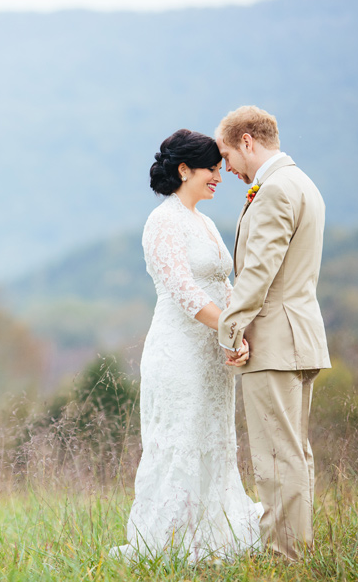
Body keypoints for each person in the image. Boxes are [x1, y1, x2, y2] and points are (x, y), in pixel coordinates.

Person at [112, 129, 262, 563]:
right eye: (211, 169)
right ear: (184, 170)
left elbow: (221, 285)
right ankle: (170, 541)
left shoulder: (205, 222)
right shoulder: (163, 221)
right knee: (180, 439)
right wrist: (230, 331)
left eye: (220, 167)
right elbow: (184, 290)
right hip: (178, 352)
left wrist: (240, 337)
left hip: (213, 355)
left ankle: (216, 534)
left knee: (215, 439)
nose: (220, 176)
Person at [215, 106, 330, 561]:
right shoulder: (303, 183)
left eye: (227, 154)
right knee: (294, 454)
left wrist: (230, 330)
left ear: (247, 141)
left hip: (275, 343)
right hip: (301, 337)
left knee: (277, 459)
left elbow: (259, 272)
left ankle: (285, 558)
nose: (227, 168)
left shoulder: (276, 190)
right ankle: (296, 552)